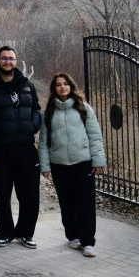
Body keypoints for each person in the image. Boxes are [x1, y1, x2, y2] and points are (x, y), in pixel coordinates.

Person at [0, 46, 42, 249]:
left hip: (26, 149)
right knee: (3, 195)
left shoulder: (28, 86)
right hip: (0, 150)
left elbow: (37, 109)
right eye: (4, 58)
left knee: (30, 195)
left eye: (11, 58)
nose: (8, 61)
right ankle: (5, 232)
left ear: (16, 61)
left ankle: (26, 233)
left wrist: (33, 125)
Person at [39, 73, 106, 258]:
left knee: (86, 203)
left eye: (65, 84)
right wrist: (45, 166)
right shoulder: (48, 113)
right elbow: (43, 142)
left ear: (71, 86)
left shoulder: (83, 108)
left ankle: (88, 242)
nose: (62, 87)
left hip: (83, 163)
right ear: (54, 89)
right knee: (67, 203)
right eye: (58, 85)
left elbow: (95, 136)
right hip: (59, 165)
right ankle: (73, 236)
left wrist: (98, 160)